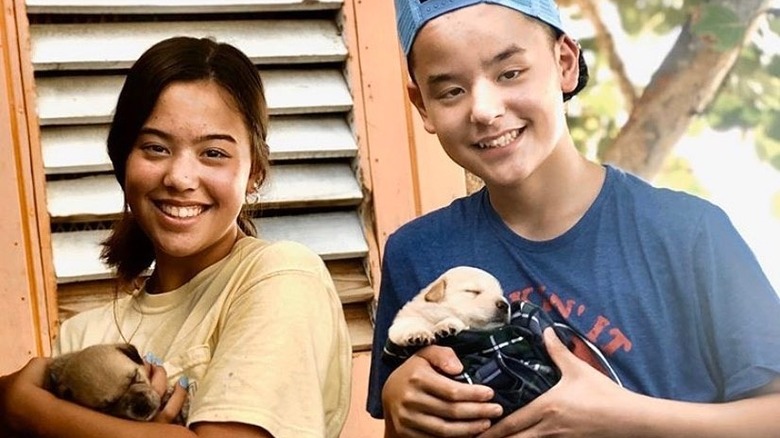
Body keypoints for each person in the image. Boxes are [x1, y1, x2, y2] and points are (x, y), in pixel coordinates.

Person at [367, 0, 780, 436]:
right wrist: (400, 404)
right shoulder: (417, 253)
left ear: (564, 62)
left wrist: (625, 418)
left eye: (509, 73)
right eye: (451, 90)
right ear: (422, 105)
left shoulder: (690, 233)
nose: (484, 110)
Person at [0, 36, 352, 438]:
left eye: (213, 153)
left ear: (254, 173)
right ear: (123, 162)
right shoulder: (82, 335)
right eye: (155, 148)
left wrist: (28, 410)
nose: (179, 178)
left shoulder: (280, 275)